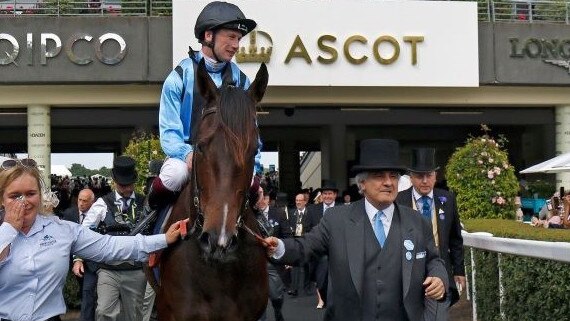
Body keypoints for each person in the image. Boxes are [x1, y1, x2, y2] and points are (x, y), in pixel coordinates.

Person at [264, 139, 448, 321]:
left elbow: (434, 260)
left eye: (393, 176)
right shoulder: (336, 220)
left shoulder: (416, 221)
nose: (388, 182)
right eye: (379, 176)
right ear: (362, 183)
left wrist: (439, 278)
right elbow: (306, 246)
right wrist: (278, 246)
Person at [0, 158, 185, 321]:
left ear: (40, 196)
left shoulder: (62, 230)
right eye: (15, 196)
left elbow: (109, 246)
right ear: (2, 199)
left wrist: (163, 239)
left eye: (31, 194)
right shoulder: (4, 232)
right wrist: (9, 229)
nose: (23, 202)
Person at [147, 0, 262, 214]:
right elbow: (170, 132)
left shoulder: (243, 81)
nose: (236, 45)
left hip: (230, 158)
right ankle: (150, 218)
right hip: (187, 156)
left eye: (238, 39)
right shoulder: (178, 78)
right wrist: (188, 155)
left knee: (254, 185)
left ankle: (262, 229)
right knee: (175, 175)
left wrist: (255, 168)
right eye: (231, 37)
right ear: (208, 36)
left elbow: (252, 131)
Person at [396, 147, 465, 319]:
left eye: (429, 175)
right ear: (411, 177)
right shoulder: (398, 200)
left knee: (438, 316)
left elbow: (455, 239)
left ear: (435, 176)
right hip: (407, 274)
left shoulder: (448, 199)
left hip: (440, 273)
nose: (425, 181)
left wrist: (459, 270)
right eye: (420, 176)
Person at [80, 156, 148, 321]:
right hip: (108, 270)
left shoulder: (144, 203)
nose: (125, 188)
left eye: (128, 184)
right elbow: (83, 232)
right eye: (122, 184)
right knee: (103, 312)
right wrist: (79, 258)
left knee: (134, 316)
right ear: (115, 182)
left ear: (134, 182)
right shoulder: (102, 203)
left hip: (136, 270)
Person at [62, 188, 98, 321]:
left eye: (85, 201)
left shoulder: (98, 214)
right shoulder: (69, 214)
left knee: (88, 291)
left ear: (92, 202)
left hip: (91, 261)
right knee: (85, 290)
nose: (81, 203)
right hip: (73, 260)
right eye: (79, 200)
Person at [256, 190, 290, 321]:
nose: (262, 200)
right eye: (259, 197)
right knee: (259, 298)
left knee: (276, 296)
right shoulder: (250, 215)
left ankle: (277, 310)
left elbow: (287, 236)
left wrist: (287, 256)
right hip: (257, 261)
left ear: (269, 199)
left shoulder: (279, 213)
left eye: (264, 197)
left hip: (273, 262)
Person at [306, 179, 340, 309]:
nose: (327, 196)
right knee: (320, 279)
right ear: (321, 195)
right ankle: (322, 298)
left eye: (330, 193)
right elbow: (308, 229)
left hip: (338, 250)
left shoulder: (343, 209)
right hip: (319, 251)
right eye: (325, 193)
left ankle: (332, 300)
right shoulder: (313, 209)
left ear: (335, 195)